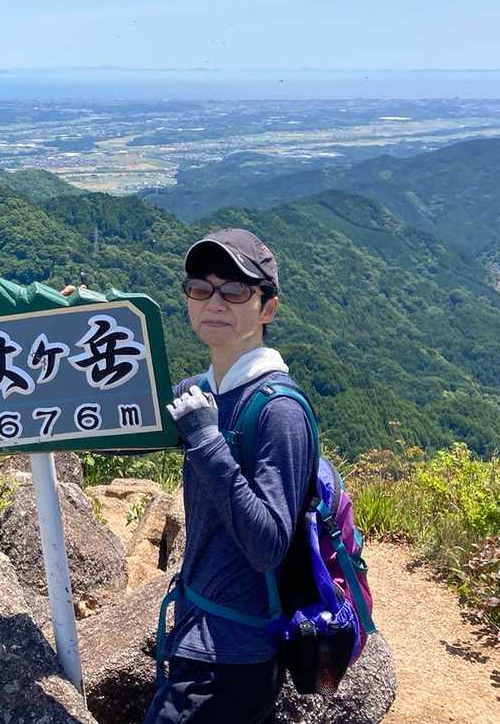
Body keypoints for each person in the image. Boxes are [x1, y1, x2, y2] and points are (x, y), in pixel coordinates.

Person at [144, 228, 315, 724]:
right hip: (196, 631)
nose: (214, 302)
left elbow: (268, 546)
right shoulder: (203, 390)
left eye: (235, 290)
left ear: (267, 308)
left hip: (235, 657)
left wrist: (206, 441)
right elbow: (118, 431)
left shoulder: (279, 411)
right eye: (201, 288)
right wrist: (78, 329)